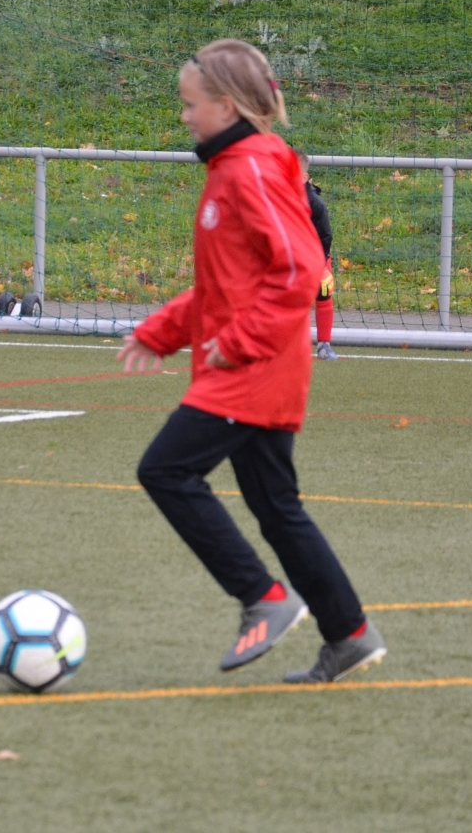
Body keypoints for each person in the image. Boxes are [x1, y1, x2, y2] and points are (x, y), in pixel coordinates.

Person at [117, 39, 385, 684]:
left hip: (251, 370)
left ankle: (262, 600)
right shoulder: (236, 166)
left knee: (166, 471)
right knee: (276, 506)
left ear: (227, 105)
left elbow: (299, 269)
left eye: (189, 105)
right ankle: (348, 634)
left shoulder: (252, 169)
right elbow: (224, 284)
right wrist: (163, 331)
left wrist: (235, 344)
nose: (183, 117)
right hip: (257, 364)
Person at [296, 149, 338, 360]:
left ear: (304, 177)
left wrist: (320, 266)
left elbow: (325, 237)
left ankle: (324, 344)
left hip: (315, 256)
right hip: (287, 258)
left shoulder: (315, 204)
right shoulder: (273, 196)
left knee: (324, 291)